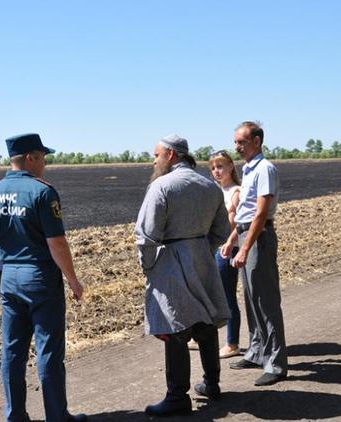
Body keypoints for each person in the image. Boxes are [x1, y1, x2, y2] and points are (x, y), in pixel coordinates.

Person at [0, 133, 87, 422]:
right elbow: (57, 243)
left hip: (8, 280)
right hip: (39, 278)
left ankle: (14, 416)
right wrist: (73, 281)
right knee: (49, 350)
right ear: (31, 158)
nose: (45, 165)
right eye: (43, 158)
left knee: (12, 351)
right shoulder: (42, 192)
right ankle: (57, 416)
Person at [135, 134, 231, 417]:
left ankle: (177, 396)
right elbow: (222, 232)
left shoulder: (161, 186)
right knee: (205, 321)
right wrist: (201, 250)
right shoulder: (209, 187)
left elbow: (146, 235)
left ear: (171, 155)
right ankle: (212, 384)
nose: (153, 160)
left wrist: (149, 267)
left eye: (156, 155)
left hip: (170, 261)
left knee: (175, 326)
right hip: (202, 256)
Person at [222, 121, 288, 387]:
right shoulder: (248, 170)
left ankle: (276, 363)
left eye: (242, 142)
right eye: (236, 142)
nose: (237, 147)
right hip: (247, 234)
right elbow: (245, 213)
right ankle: (257, 351)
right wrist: (232, 240)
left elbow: (261, 214)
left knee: (265, 301)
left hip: (258, 238)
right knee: (251, 299)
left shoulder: (265, 169)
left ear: (257, 141)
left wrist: (246, 247)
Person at [188, 151, 242, 358]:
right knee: (206, 292)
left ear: (231, 167)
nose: (216, 171)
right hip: (211, 248)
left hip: (226, 248)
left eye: (220, 166)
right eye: (212, 168)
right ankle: (199, 337)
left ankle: (232, 343)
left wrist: (227, 242)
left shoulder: (235, 191)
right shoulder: (213, 191)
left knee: (227, 296)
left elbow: (233, 223)